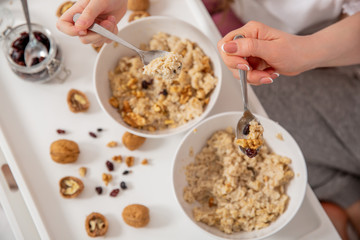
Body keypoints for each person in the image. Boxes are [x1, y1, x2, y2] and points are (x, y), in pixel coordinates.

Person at [56, 1, 360, 239]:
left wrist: (306, 51)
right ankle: (340, 204)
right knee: (317, 191)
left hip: (331, 52)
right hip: (240, 29)